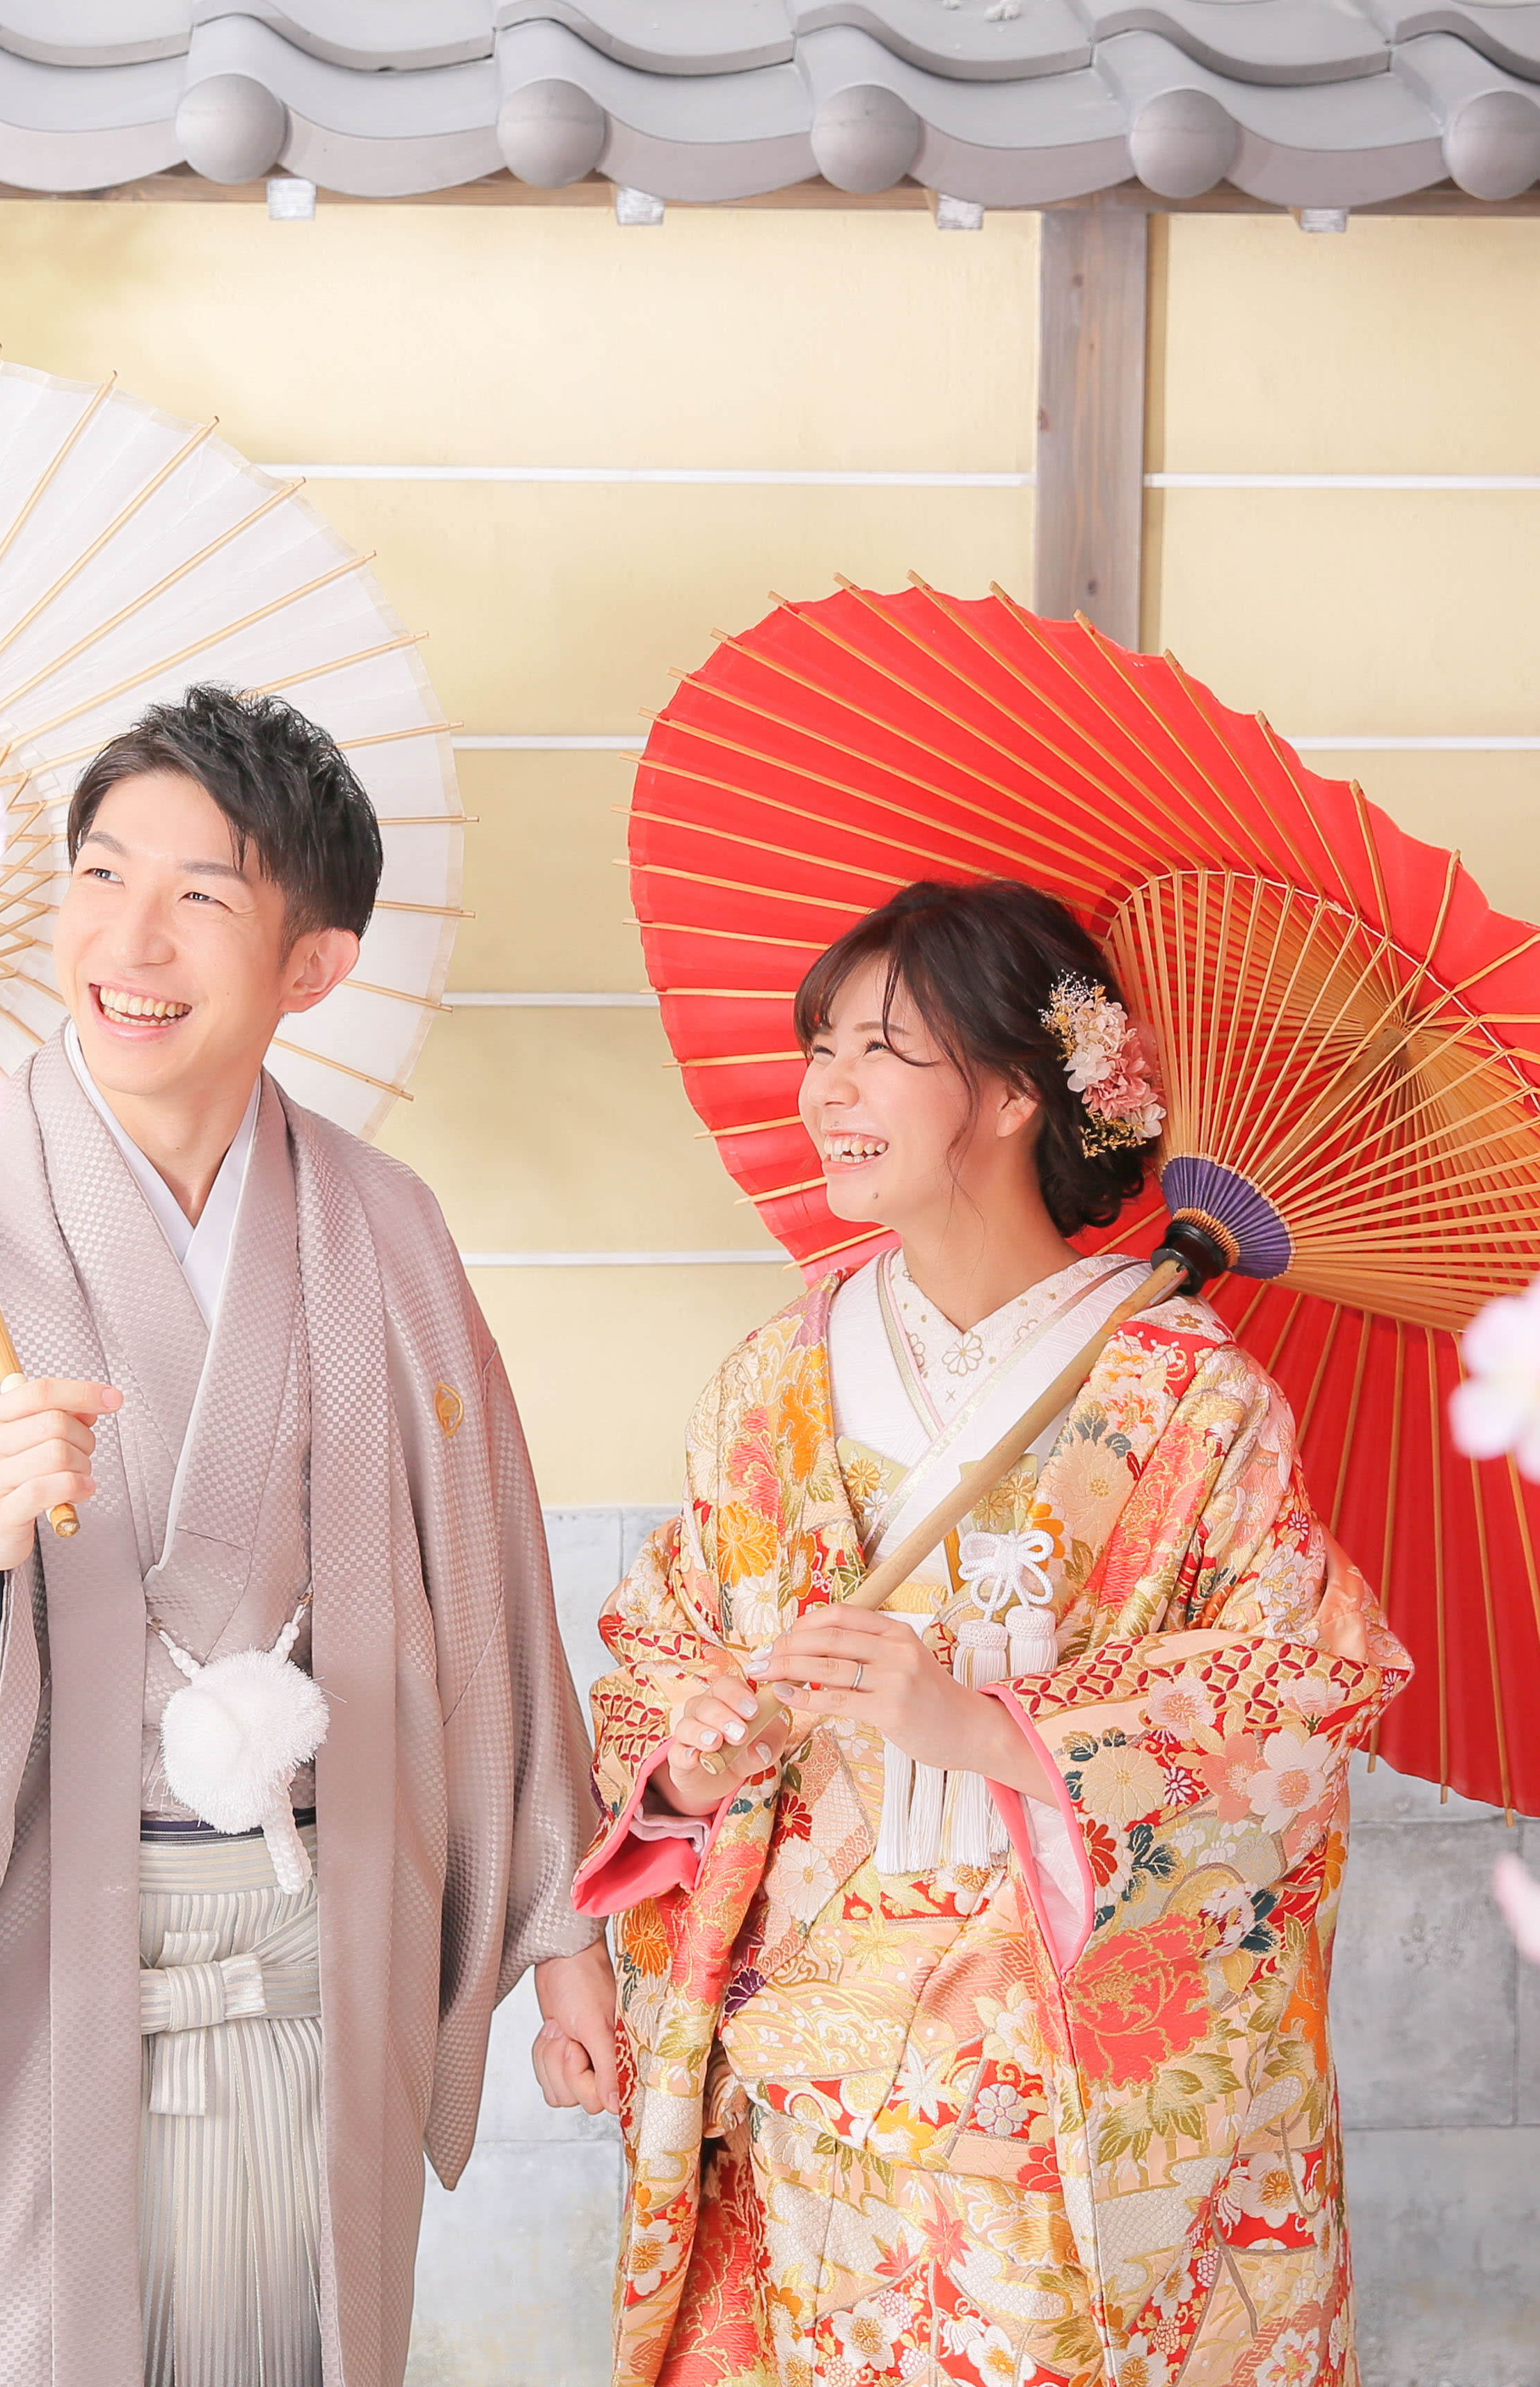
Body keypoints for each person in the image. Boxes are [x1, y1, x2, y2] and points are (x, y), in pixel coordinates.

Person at [0, 684, 619, 2387]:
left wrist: (563, 1939)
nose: (129, 940)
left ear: (312, 962)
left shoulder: (386, 1229)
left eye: (200, 895)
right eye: (100, 875)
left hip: (308, 1959)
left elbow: (487, 1587)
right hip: (16, 1980)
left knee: (284, 2348)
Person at [572, 878, 1415, 2387]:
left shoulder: (1186, 1396)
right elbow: (656, 1652)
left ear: (1020, 1093)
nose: (828, 1090)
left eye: (882, 1050)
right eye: (822, 1047)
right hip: (813, 2070)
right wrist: (692, 1764)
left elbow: (1293, 1702)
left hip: (1056, 2087)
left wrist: (986, 1728)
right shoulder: (772, 1382)